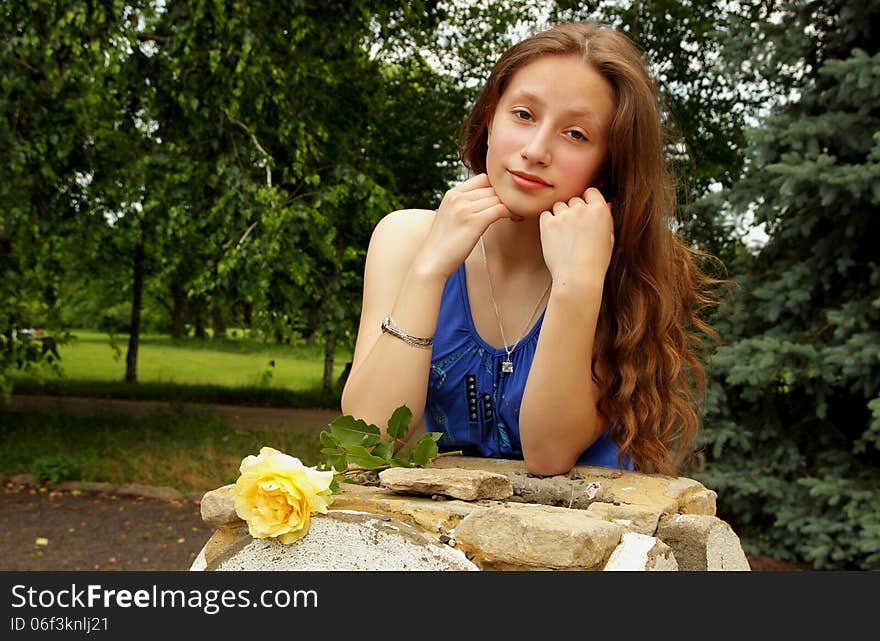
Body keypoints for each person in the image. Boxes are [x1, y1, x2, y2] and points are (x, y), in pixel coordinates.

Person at [341, 21, 719, 477]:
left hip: (592, 528)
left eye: (576, 134)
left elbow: (548, 455)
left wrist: (576, 283)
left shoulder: (628, 266)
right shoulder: (406, 240)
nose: (536, 149)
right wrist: (430, 269)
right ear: (488, 121)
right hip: (450, 535)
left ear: (610, 165)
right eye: (523, 114)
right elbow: (367, 439)